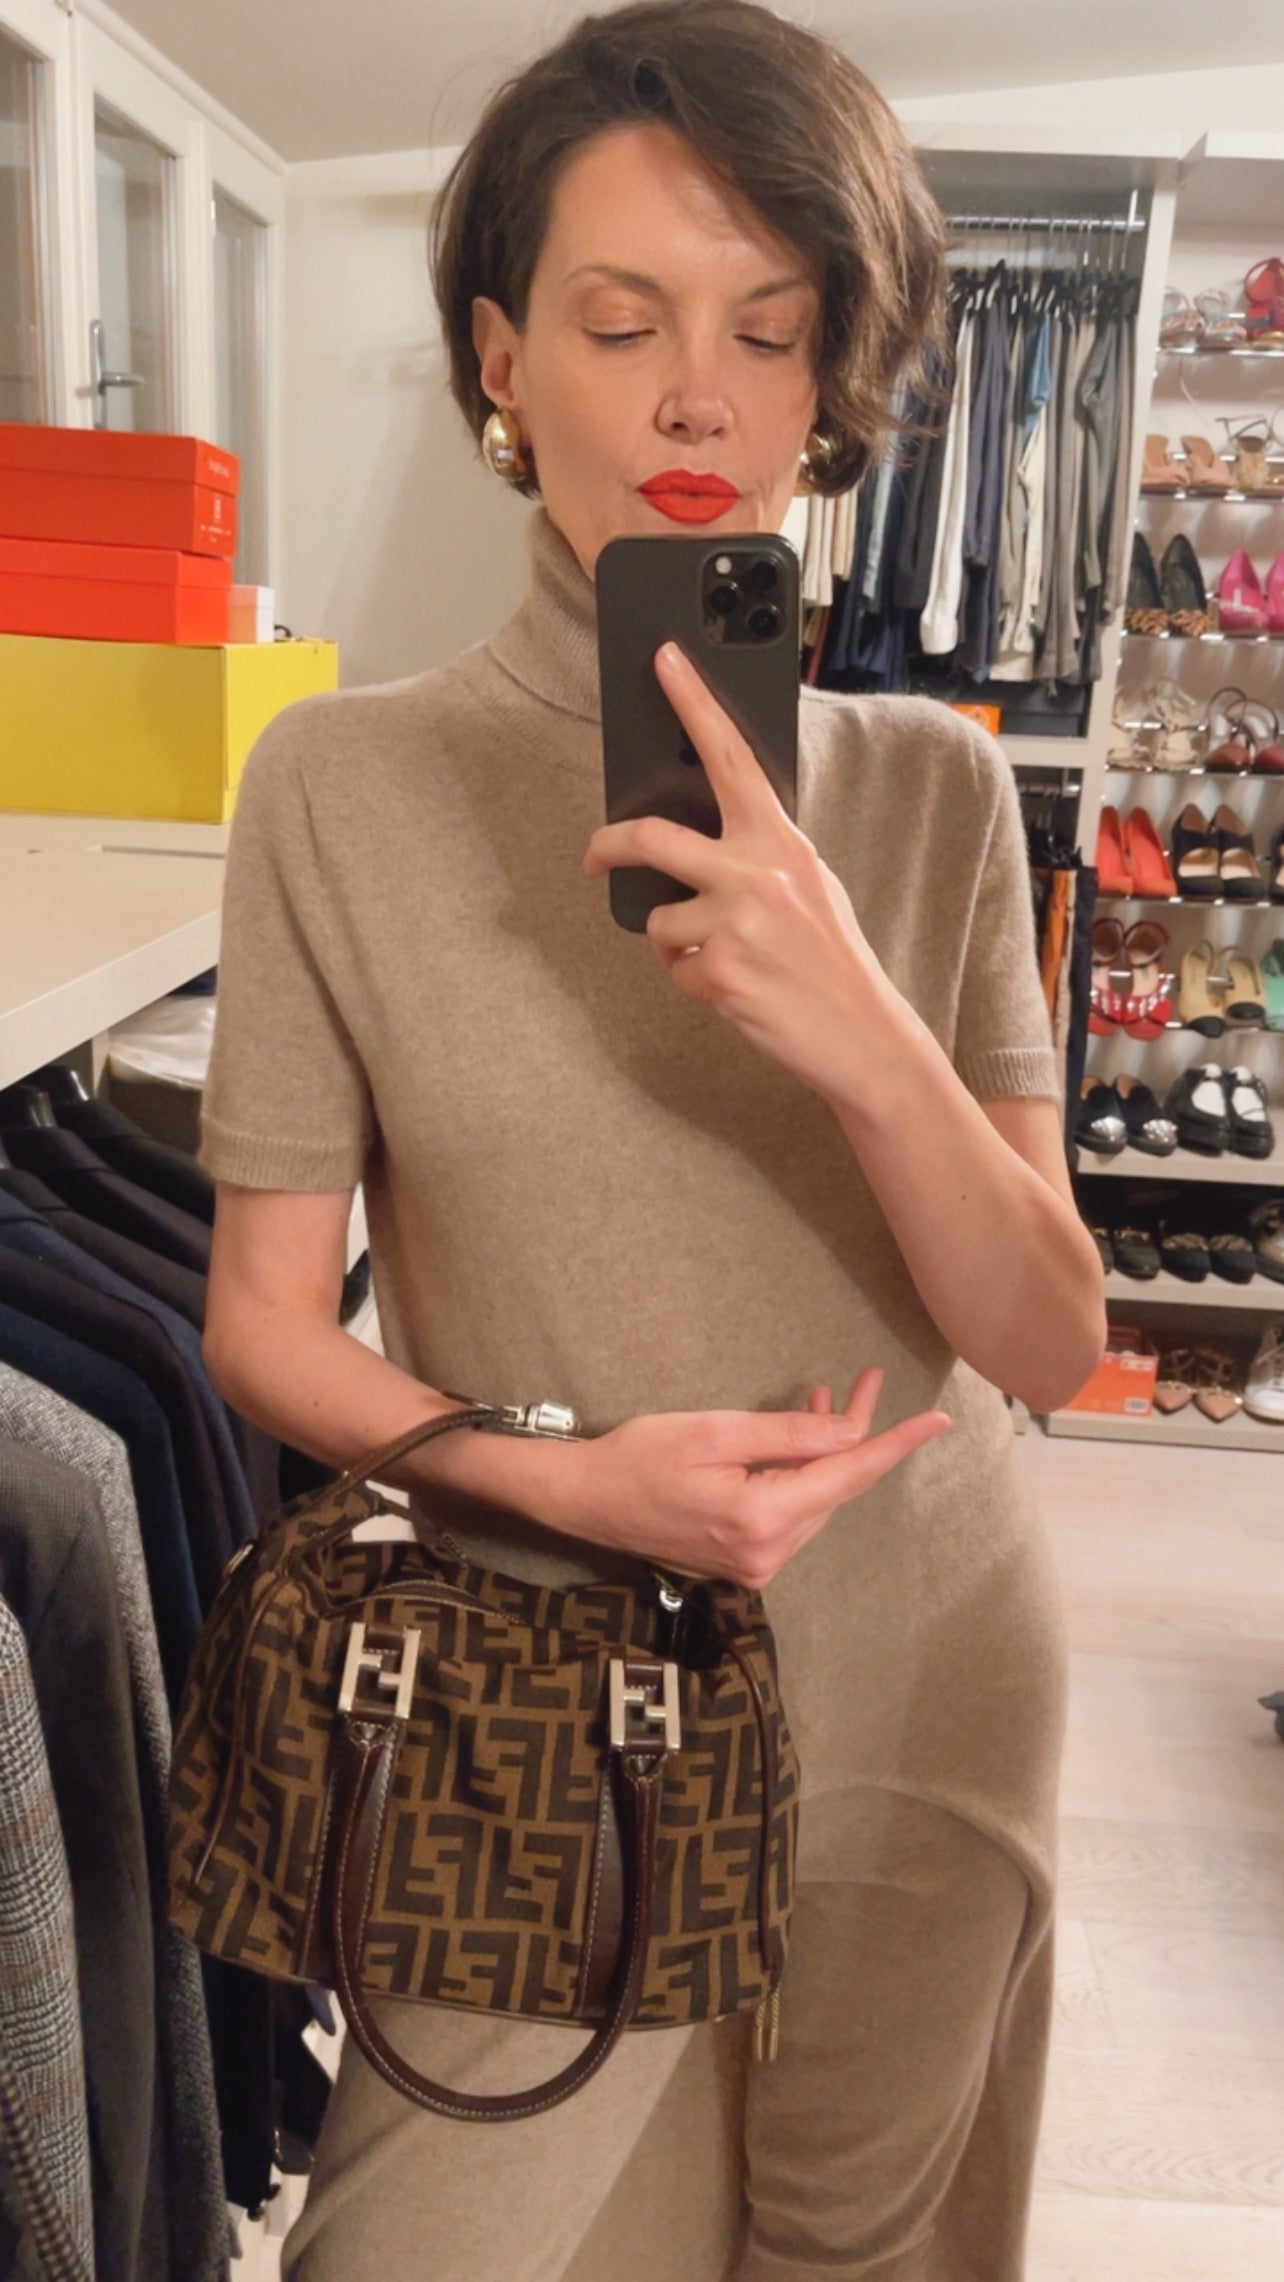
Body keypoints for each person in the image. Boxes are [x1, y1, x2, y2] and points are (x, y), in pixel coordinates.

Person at [199, 4, 1106, 2275]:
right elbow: (262, 1327)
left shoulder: (934, 790)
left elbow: (1044, 1334)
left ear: (825, 388)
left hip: (923, 1669)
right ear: (503, 361)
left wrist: (862, 1024)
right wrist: (564, 1475)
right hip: (529, 1684)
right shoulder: (339, 786)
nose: (699, 395)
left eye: (767, 332)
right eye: (623, 324)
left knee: (857, 2250)